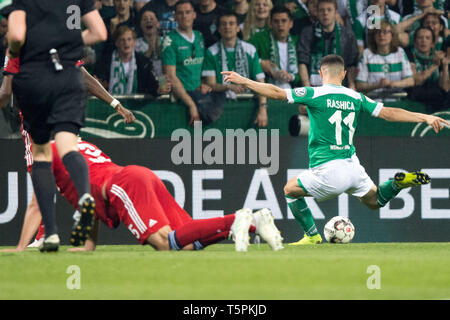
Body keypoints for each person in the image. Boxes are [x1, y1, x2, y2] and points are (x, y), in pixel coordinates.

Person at [222, 54, 448, 245]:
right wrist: (424, 117)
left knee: (289, 190)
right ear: (343, 74)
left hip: (329, 169)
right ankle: (398, 183)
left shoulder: (314, 93)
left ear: (321, 72)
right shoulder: (356, 97)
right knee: (375, 200)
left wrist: (246, 81)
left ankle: (312, 237)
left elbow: (277, 92)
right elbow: (389, 113)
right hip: (353, 167)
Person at [1, 139, 284, 253]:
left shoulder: (45, 152)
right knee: (186, 243)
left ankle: (238, 218)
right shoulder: (74, 144)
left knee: (165, 244)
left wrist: (19, 250)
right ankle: (252, 222)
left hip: (124, 184)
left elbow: (37, 204)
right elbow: (90, 204)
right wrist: (86, 247)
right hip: (138, 175)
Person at [7, 0, 107, 252]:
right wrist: (69, 44)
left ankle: (50, 233)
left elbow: (17, 36)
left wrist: (16, 48)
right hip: (68, 77)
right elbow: (100, 33)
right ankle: (85, 195)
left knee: (41, 155)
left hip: (35, 77)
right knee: (68, 146)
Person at [202, 11, 268, 127]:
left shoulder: (250, 49)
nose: (227, 27)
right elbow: (210, 84)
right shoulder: (211, 52)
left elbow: (260, 83)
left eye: (231, 23)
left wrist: (262, 109)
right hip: (221, 105)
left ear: (238, 28)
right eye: (224, 24)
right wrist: (228, 87)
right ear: (218, 28)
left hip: (249, 104)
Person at [162, 0, 212, 126]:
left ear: (194, 15)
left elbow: (203, 69)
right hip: (181, 101)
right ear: (175, 17)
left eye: (188, 12)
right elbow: (170, 76)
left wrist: (205, 84)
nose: (184, 16)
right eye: (180, 13)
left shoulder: (199, 36)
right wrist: (191, 104)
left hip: (199, 97)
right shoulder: (170, 40)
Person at [298, 0, 358, 88]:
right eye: (321, 10)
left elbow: (351, 64)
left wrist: (351, 85)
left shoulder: (347, 35)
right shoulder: (307, 33)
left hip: (340, 86)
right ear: (317, 13)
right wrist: (307, 88)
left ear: (336, 12)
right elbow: (302, 62)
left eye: (329, 10)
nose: (325, 13)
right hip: (314, 87)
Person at [95, 25, 170, 95]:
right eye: (122, 40)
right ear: (117, 43)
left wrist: (159, 88)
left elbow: (150, 85)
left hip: (136, 106)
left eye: (129, 39)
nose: (126, 43)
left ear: (134, 42)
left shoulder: (143, 62)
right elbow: (98, 81)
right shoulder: (105, 61)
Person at [355, 20, 415, 97]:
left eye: (385, 32)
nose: (381, 35)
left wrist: (392, 83)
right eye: (378, 32)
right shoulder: (366, 53)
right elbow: (359, 85)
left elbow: (410, 81)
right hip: (373, 100)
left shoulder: (400, 52)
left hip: (397, 99)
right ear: (374, 36)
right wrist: (378, 85)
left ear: (392, 35)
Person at [249, 6, 300, 89]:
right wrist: (260, 62)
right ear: (270, 23)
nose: (280, 24)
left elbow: (304, 71)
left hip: (294, 90)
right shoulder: (259, 38)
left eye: (284, 21)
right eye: (276, 21)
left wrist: (291, 76)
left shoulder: (297, 41)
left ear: (291, 24)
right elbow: (246, 55)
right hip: (267, 89)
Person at [406, 26, 450, 112]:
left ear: (433, 43)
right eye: (420, 37)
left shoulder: (439, 57)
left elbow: (445, 87)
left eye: (427, 38)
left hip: (436, 99)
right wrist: (434, 66)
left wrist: (444, 66)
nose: (423, 41)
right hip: (414, 98)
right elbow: (417, 81)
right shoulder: (408, 56)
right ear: (414, 42)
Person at [135, 9, 164, 79]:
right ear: (140, 25)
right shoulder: (135, 44)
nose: (148, 21)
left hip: (164, 82)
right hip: (146, 82)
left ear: (158, 23)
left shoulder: (166, 41)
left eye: (152, 18)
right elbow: (138, 66)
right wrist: (150, 50)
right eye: (145, 19)